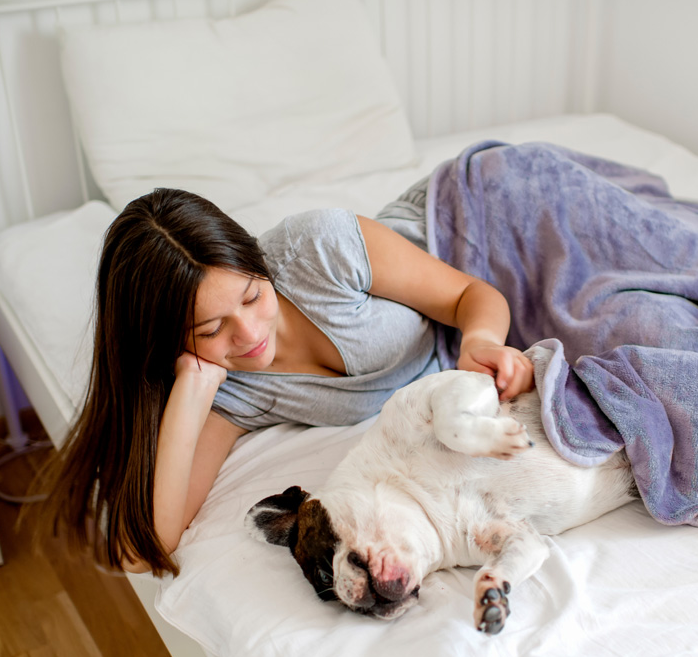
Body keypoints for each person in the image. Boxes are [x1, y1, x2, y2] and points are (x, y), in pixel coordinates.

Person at [37, 187, 534, 576]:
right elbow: (138, 552)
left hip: (484, 219)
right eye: (211, 329)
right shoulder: (228, 394)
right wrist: (190, 393)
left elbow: (470, 295)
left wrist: (480, 342)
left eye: (252, 296)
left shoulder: (319, 248)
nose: (250, 334)